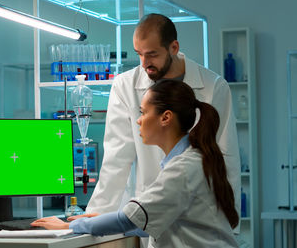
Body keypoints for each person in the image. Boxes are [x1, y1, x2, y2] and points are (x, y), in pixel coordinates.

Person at [32, 80, 239, 247]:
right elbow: (152, 222)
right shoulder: (189, 159)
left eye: (143, 112)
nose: (138, 120)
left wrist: (70, 227)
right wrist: (103, 220)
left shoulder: (183, 168)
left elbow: (127, 220)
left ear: (165, 118)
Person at [86, 14, 240, 222]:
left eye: (152, 54)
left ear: (173, 48)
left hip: (200, 215)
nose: (144, 64)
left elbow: (226, 157)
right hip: (148, 212)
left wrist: (232, 221)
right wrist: (93, 219)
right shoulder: (125, 86)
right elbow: (116, 159)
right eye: (139, 54)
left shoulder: (214, 87)